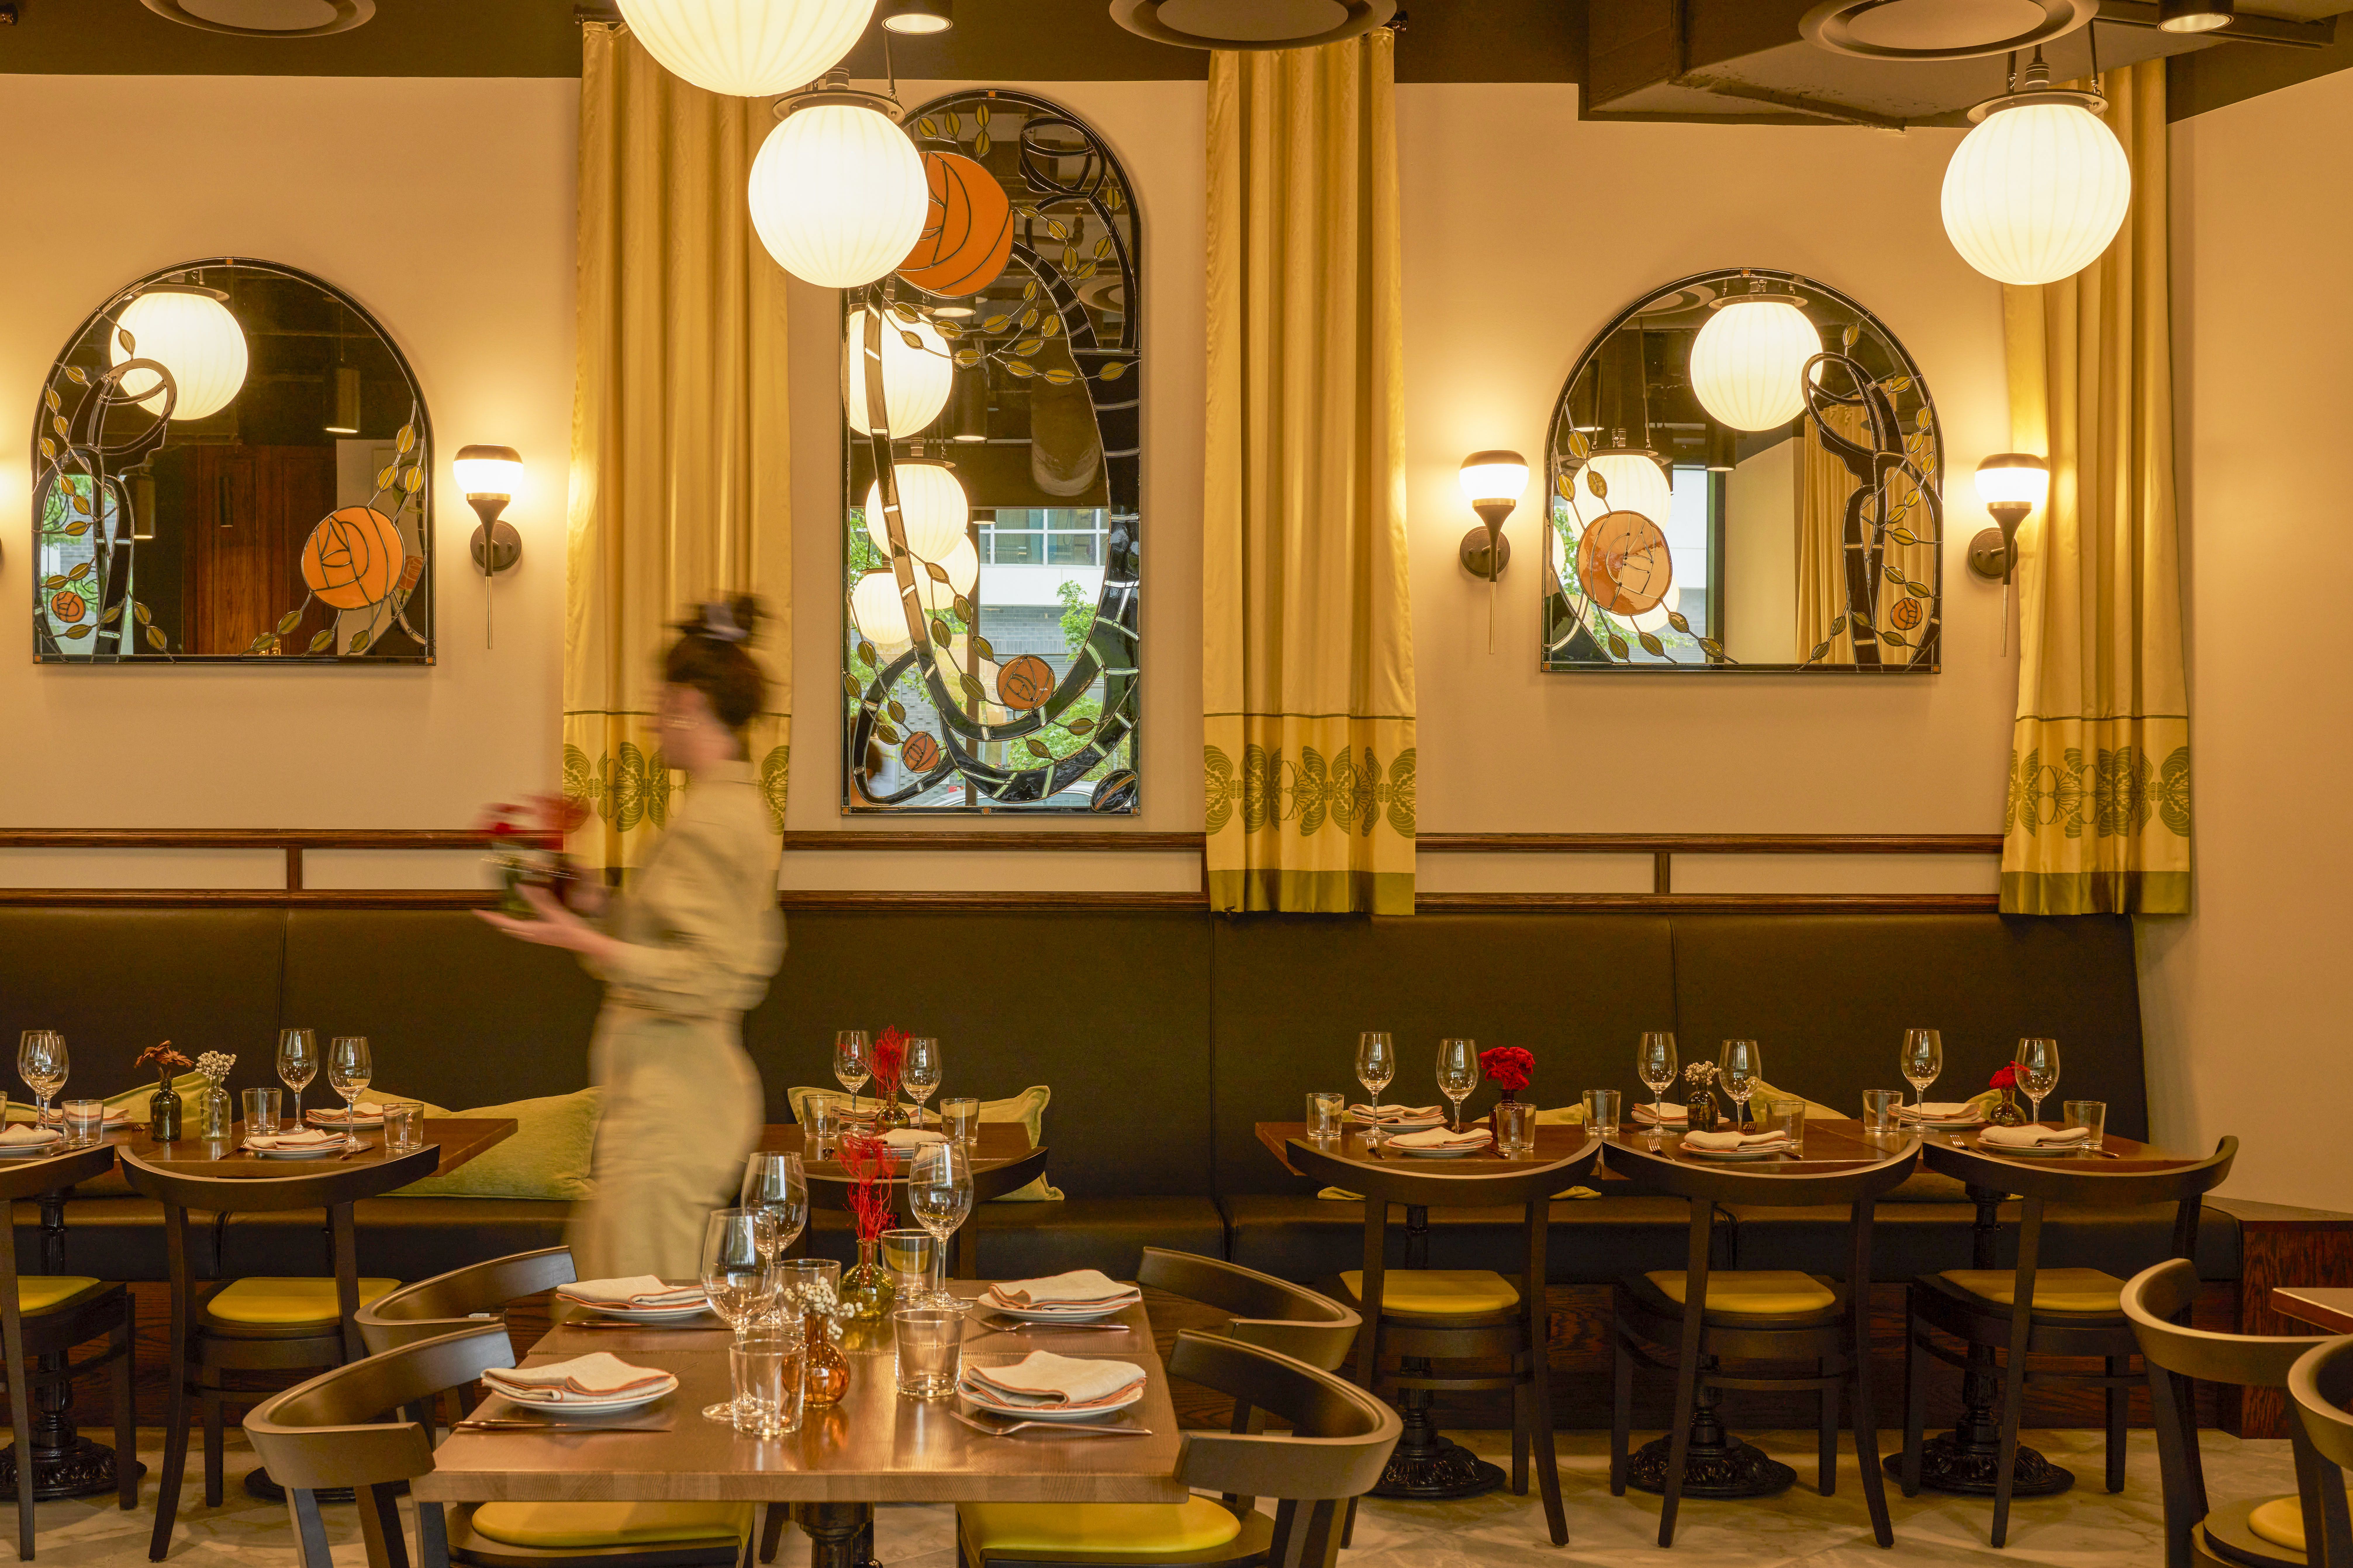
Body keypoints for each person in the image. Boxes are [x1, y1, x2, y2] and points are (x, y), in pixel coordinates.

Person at [478, 597, 784, 1279]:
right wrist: (593, 902)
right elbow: (672, 938)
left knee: (640, 1319)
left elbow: (711, 974)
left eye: (658, 703)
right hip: (658, 1106)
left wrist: (579, 939)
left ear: (689, 704)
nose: (650, 722)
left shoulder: (717, 820)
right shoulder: (711, 807)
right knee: (619, 1298)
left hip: (674, 1113)